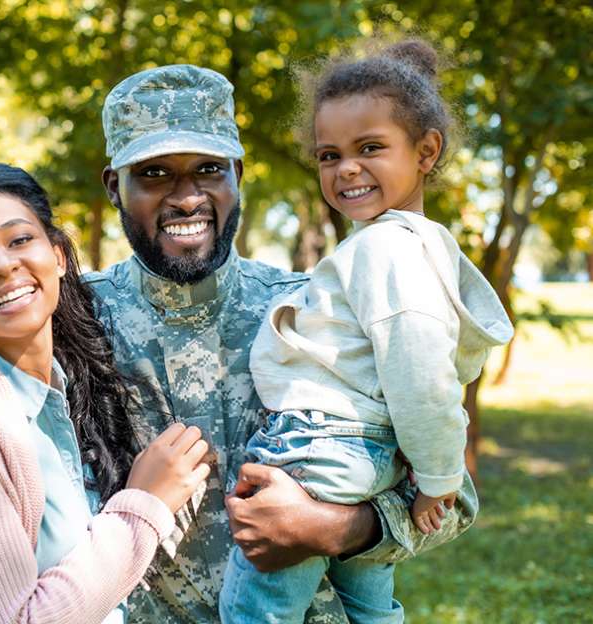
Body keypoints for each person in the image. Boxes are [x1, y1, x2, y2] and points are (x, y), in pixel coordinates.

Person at [0, 65, 479, 624]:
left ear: (238, 176)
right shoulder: (65, 315)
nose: (186, 195)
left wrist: (334, 527)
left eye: (207, 170)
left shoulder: (316, 310)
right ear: (115, 186)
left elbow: (451, 495)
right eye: (156, 173)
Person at [218, 40, 513, 623]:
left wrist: (437, 480)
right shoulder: (418, 248)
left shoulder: (384, 251)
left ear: (427, 151)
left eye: (370, 148)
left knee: (257, 610)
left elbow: (421, 378)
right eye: (329, 155)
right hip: (368, 458)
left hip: (318, 448)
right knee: (373, 609)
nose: (346, 168)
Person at [0, 162, 210, 623]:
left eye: (19, 240)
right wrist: (146, 505)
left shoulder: (64, 384)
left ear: (59, 256)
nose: (2, 266)